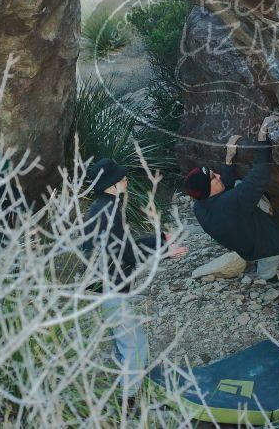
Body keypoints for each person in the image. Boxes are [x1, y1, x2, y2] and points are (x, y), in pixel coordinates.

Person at [82, 158, 186, 397]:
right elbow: (129, 252)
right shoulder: (109, 212)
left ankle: (130, 383)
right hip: (111, 290)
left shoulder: (103, 206)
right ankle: (129, 401)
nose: (125, 179)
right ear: (110, 184)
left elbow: (126, 244)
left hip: (103, 286)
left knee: (124, 339)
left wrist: (159, 239)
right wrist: (166, 252)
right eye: (121, 178)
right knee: (134, 344)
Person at [182, 116, 279, 281]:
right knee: (269, 260)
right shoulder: (231, 203)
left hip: (245, 247)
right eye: (213, 177)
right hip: (272, 246)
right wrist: (262, 136)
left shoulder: (199, 207)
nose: (218, 175)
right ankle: (267, 276)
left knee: (237, 186)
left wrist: (228, 159)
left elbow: (224, 189)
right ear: (207, 189)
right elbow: (260, 174)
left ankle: (264, 271)